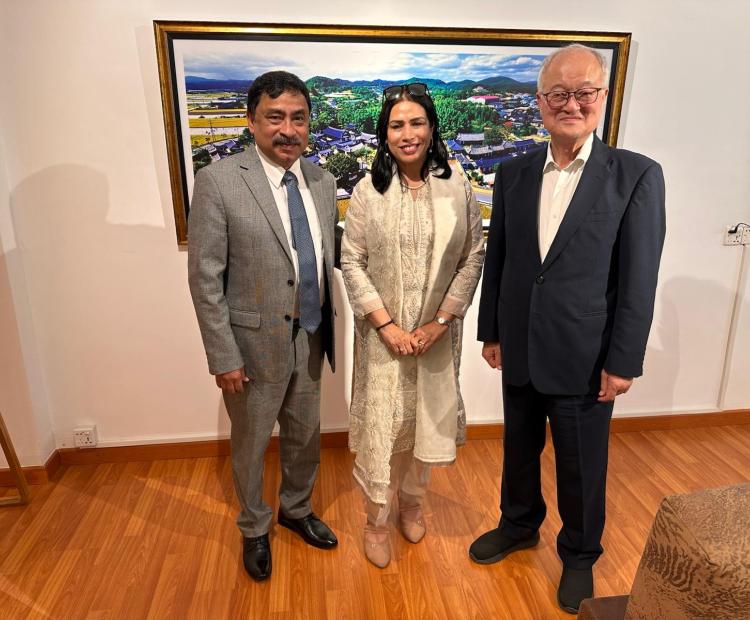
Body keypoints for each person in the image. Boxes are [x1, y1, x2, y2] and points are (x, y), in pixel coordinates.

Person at [470, 44, 666, 613]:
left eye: (584, 92)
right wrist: (491, 332)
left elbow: (639, 278)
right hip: (521, 345)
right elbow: (500, 259)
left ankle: (579, 555)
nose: (571, 103)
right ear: (540, 102)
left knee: (582, 464)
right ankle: (519, 523)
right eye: (559, 93)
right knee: (519, 447)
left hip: (587, 354)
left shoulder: (634, 175)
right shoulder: (513, 172)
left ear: (603, 98)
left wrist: (623, 361)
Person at [188, 71, 339, 582]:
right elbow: (205, 278)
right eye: (275, 117)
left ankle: (296, 510)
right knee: (251, 443)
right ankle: (254, 526)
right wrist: (223, 355)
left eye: (298, 118)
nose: (288, 129)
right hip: (251, 347)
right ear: (252, 121)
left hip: (311, 335)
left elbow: (321, 257)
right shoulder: (219, 180)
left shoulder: (323, 180)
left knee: (304, 435)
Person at [340, 83, 485, 568]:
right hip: (384, 340)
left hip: (437, 338)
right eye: (396, 125)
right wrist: (387, 327)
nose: (407, 134)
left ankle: (414, 502)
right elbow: (352, 261)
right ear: (384, 134)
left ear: (431, 127)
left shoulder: (458, 186)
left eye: (416, 122)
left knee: (427, 421)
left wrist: (440, 322)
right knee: (388, 425)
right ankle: (375, 520)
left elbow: (473, 256)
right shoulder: (368, 191)